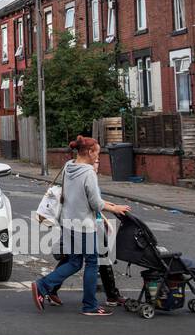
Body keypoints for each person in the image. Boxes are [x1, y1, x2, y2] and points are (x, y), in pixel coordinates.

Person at [32, 135, 131, 316]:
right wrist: (115, 208)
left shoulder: (69, 166)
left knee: (75, 262)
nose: (98, 158)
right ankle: (89, 305)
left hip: (68, 222)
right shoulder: (88, 173)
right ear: (89, 152)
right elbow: (96, 204)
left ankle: (43, 286)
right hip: (84, 225)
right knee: (92, 262)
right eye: (97, 154)